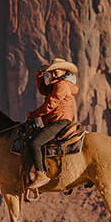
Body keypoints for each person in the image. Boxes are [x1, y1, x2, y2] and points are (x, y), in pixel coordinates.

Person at [24, 58, 78, 188]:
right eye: (52, 72)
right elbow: (44, 90)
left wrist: (33, 114)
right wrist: (40, 76)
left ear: (64, 71)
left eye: (56, 71)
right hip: (57, 121)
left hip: (59, 121)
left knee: (35, 142)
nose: (53, 74)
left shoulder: (62, 85)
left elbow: (50, 105)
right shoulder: (58, 84)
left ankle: (41, 173)